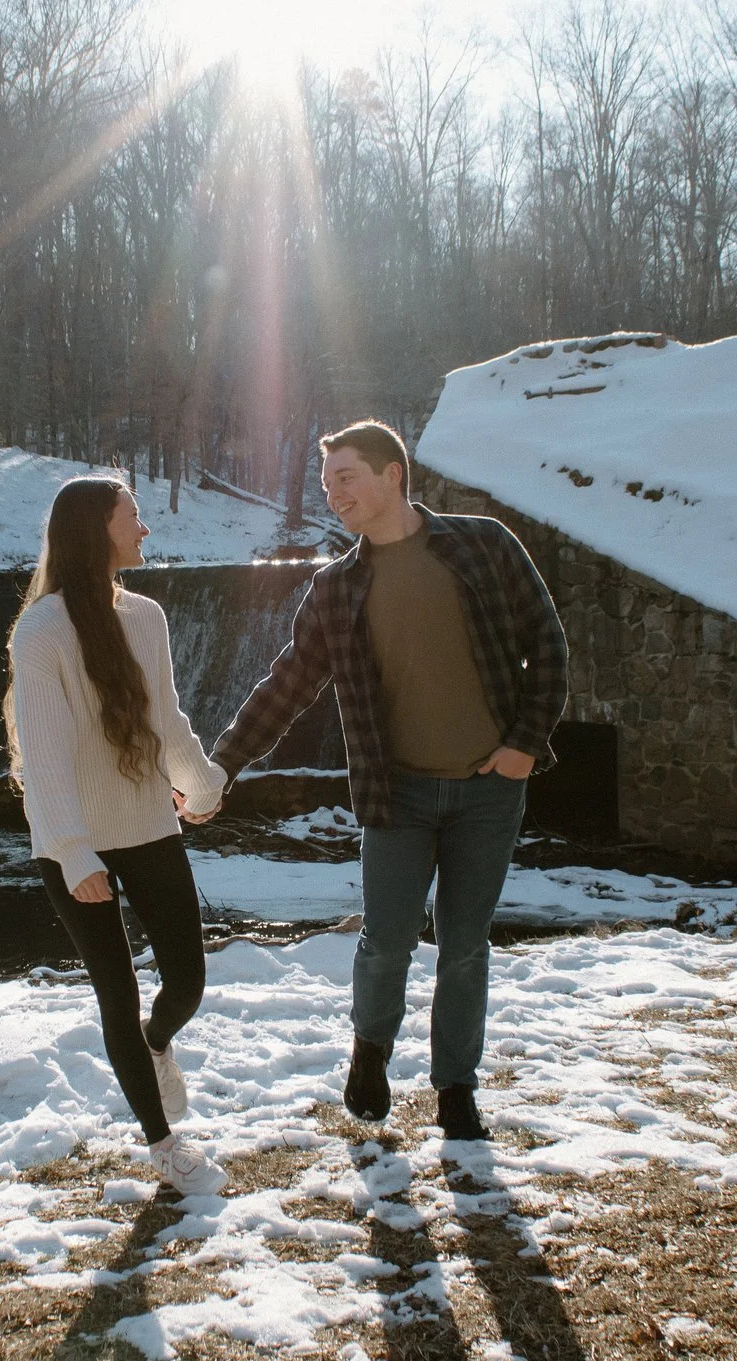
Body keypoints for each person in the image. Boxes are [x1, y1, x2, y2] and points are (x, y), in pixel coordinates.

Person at [213, 421, 568, 1142]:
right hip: (394, 794)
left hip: (487, 791)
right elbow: (288, 686)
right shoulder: (335, 588)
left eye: (346, 476)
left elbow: (548, 641)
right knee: (386, 941)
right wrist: (222, 763)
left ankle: (456, 1090)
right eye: (326, 482)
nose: (333, 493)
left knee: (466, 944)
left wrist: (524, 747)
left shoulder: (483, 544)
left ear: (391, 475)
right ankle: (370, 1050)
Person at [7, 476, 231, 1196]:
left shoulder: (147, 617)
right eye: (133, 515)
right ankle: (163, 1145)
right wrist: (74, 851)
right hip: (71, 839)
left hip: (145, 821)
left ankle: (157, 1041)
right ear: (97, 528)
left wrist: (202, 785)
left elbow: (165, 719)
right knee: (116, 989)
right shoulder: (40, 631)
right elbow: (41, 753)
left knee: (188, 980)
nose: (145, 528)